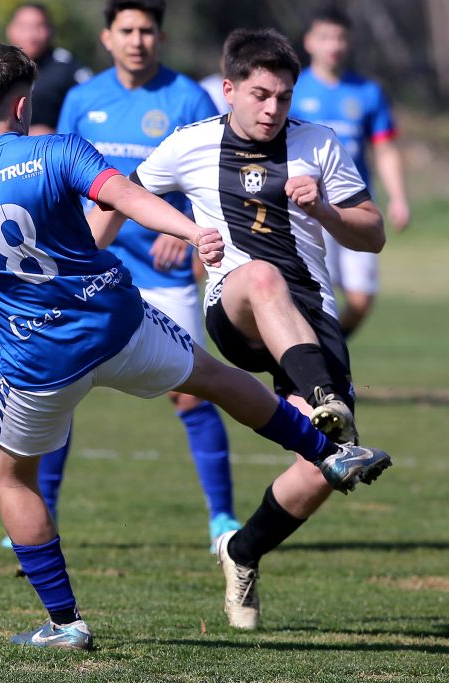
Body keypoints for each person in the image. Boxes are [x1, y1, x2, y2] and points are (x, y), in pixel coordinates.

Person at [0, 43, 392, 650]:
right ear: (23, 106)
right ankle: (324, 452)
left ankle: (65, 621)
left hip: (37, 361)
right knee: (214, 379)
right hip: (117, 324)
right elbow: (126, 196)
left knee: (13, 477)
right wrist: (192, 229)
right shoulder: (58, 151)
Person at [91, 27, 387, 630]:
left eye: (283, 97)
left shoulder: (319, 144)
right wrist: (76, 273)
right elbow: (117, 198)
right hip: (236, 303)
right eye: (259, 95)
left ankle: (243, 549)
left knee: (323, 467)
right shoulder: (190, 144)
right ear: (229, 89)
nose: (272, 109)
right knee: (258, 275)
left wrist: (324, 210)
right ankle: (328, 402)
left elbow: (372, 232)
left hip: (310, 315)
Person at [53, 0, 241, 547]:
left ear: (160, 37)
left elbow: (215, 179)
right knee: (56, 388)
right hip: (90, 271)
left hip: (163, 273)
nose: (138, 40)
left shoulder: (187, 98)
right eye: (127, 30)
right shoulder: (83, 100)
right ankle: (40, 515)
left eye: (148, 30)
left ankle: (222, 520)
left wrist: (179, 227)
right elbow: (61, 177)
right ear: (107, 37)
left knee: (191, 390)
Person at [294, 5, 410, 338]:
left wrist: (399, 198)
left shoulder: (368, 92)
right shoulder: (294, 91)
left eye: (341, 37)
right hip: (308, 211)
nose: (334, 45)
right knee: (317, 299)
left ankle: (326, 350)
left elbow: (385, 149)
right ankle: (316, 360)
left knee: (361, 300)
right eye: (325, 37)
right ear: (309, 42)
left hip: (354, 207)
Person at [6, 2, 92, 136]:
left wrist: (56, 134)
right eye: (23, 27)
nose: (31, 35)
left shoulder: (69, 69)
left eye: (38, 27)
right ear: (10, 29)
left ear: (51, 30)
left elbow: (95, 116)